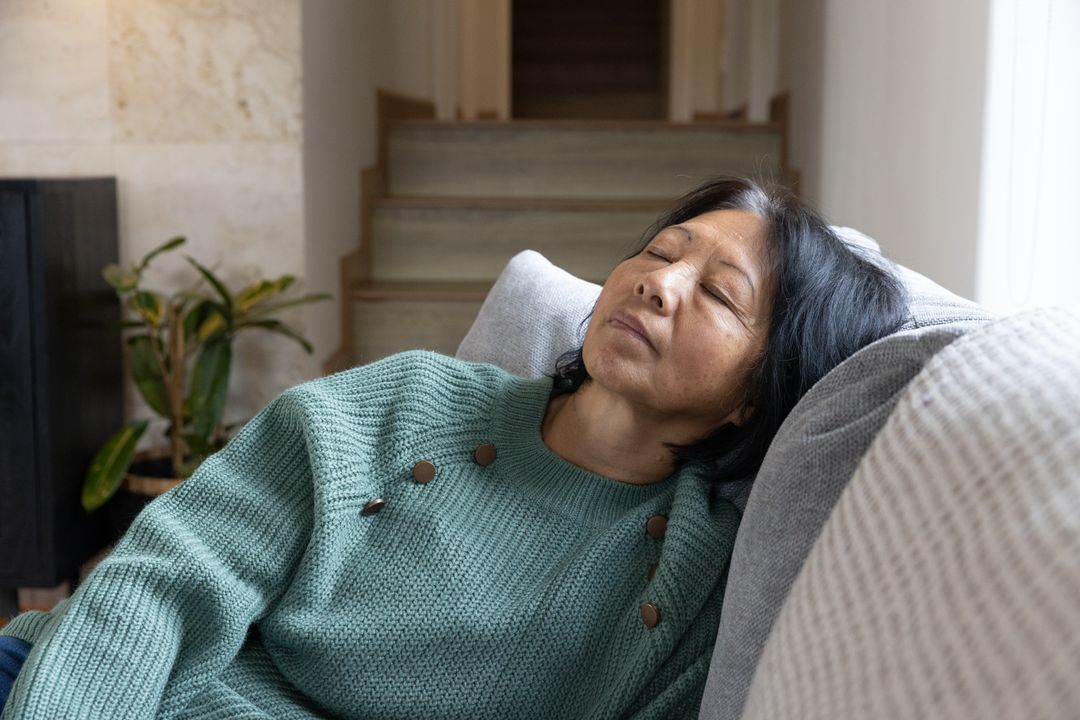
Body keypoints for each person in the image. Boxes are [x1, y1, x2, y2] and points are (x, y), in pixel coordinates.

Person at [0, 176, 907, 719]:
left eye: (718, 293)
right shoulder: (408, 402)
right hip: (104, 680)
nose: (656, 283)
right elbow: (166, 576)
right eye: (662, 251)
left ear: (760, 391)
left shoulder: (694, 586)